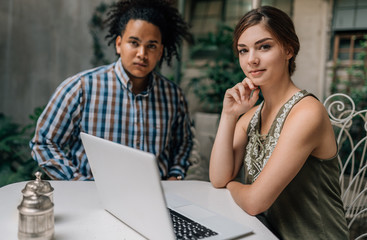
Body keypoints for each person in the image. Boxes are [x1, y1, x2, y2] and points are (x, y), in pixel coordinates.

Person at [209, 6, 349, 239]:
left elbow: (255, 202)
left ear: (288, 50)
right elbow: (218, 177)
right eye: (243, 50)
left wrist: (232, 187)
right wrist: (229, 115)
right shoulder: (251, 116)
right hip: (267, 235)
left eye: (264, 46)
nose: (252, 59)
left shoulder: (307, 113)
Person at [30, 0, 193, 181]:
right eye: (134, 42)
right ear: (118, 44)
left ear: (160, 52)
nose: (142, 53)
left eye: (151, 46)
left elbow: (183, 145)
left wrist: (175, 176)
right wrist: (78, 183)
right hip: (91, 199)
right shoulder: (81, 88)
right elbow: (44, 142)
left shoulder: (172, 96)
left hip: (155, 200)